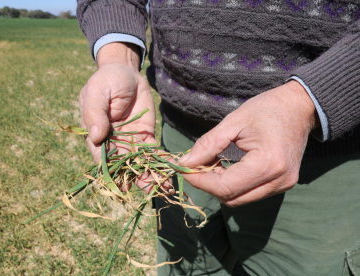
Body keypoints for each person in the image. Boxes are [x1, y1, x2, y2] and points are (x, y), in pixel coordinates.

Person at [76, 0, 360, 275]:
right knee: (187, 264)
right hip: (172, 139)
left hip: (320, 152)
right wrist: (119, 58)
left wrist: (307, 101)